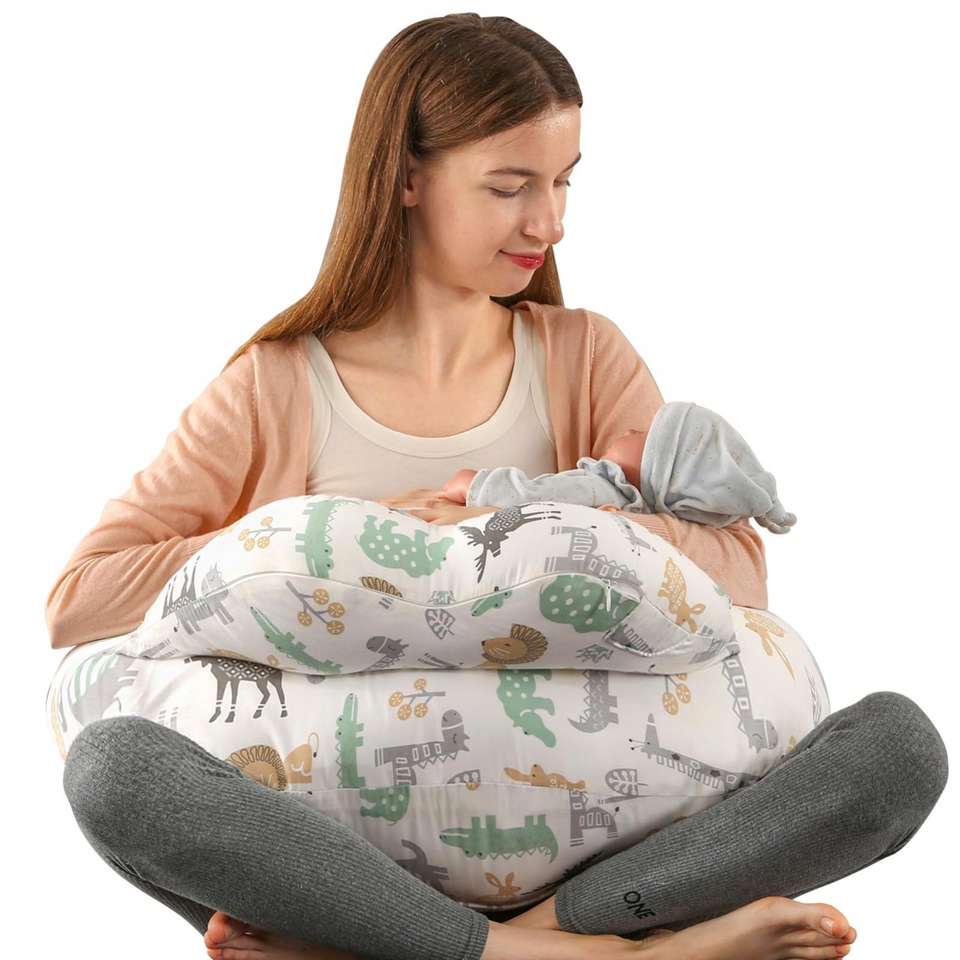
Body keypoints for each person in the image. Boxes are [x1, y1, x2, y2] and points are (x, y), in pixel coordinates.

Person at [48, 14, 948, 960]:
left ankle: (500, 942)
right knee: (114, 770)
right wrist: (349, 534)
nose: (549, 224)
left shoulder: (584, 355)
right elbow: (77, 601)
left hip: (611, 861)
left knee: (897, 748)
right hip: (346, 873)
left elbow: (738, 575)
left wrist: (510, 524)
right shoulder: (274, 385)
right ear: (405, 177)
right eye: (510, 187)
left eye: (563, 183)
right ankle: (620, 956)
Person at [439, 401, 798, 535]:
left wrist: (475, 484)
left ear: (659, 470)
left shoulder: (601, 491)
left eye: (644, 434)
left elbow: (532, 497)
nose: (629, 431)